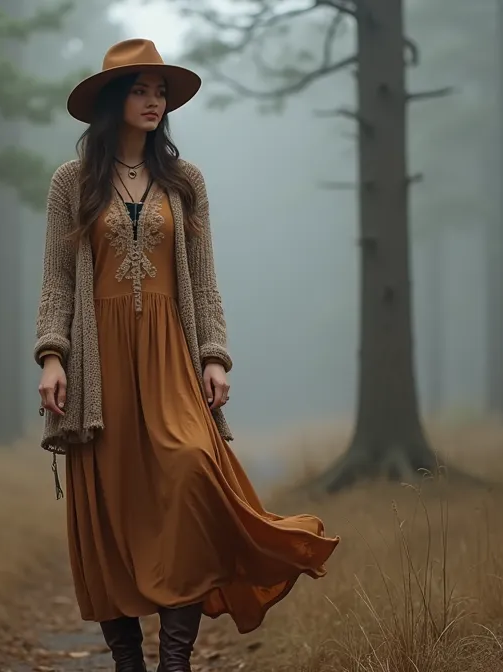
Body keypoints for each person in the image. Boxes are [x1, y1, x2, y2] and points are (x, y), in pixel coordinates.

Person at [32, 38, 340, 672]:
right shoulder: (72, 182)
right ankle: (129, 664)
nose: (153, 101)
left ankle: (175, 662)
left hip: (171, 354)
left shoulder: (184, 180)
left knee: (192, 469)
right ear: (114, 100)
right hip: (99, 366)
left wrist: (214, 355)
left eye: (160, 91)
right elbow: (58, 279)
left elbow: (204, 277)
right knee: (108, 512)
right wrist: (52, 356)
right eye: (140, 89)